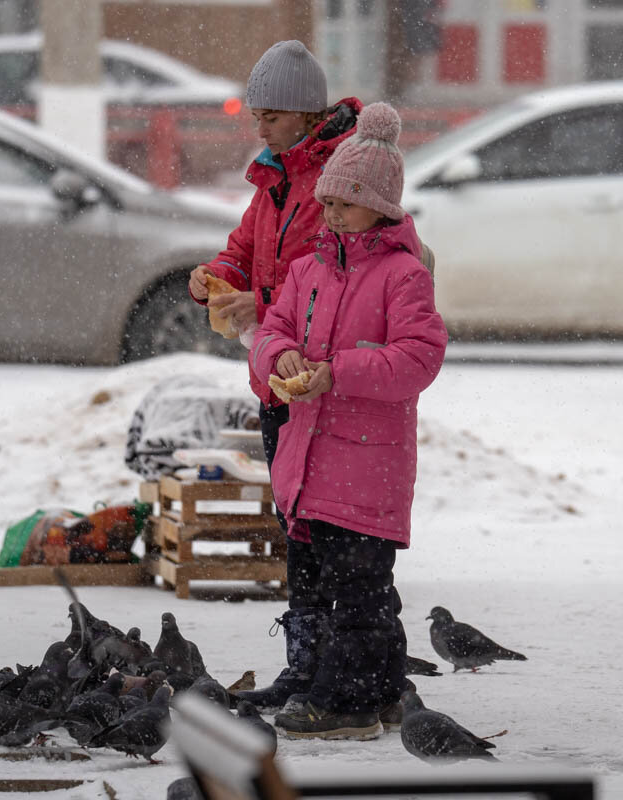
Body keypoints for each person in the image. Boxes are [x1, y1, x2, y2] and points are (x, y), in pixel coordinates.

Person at [248, 102, 448, 739]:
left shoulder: (402, 276)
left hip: (367, 467)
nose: (331, 215)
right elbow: (271, 330)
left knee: (358, 593)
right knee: (356, 587)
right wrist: (280, 360)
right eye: (328, 203)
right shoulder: (307, 271)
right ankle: (385, 690)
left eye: (345, 204)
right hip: (313, 462)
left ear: (383, 209)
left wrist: (339, 370)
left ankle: (349, 705)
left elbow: (419, 357)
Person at [187, 40, 363, 710]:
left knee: (323, 534)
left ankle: (335, 673)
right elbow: (244, 250)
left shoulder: (333, 183)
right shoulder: (273, 180)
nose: (256, 127)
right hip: (275, 381)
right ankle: (303, 667)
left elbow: (328, 279)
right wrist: (217, 277)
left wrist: (255, 305)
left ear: (302, 114)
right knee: (296, 526)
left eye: (268, 116)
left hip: (316, 384)